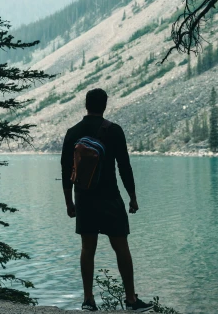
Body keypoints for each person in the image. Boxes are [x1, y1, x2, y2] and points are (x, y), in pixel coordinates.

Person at [61, 88, 153, 312]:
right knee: (121, 246)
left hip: (83, 198)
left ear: (86, 105)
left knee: (87, 248)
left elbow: (66, 171)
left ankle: (88, 300)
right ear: (104, 106)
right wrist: (132, 196)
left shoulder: (73, 132)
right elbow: (124, 167)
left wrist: (69, 203)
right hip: (110, 196)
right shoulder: (113, 131)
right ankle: (131, 300)